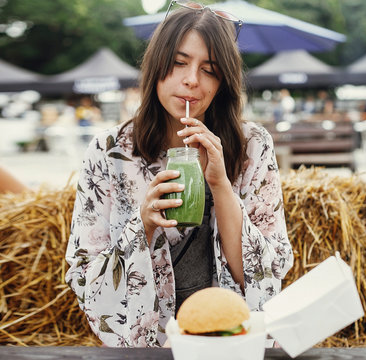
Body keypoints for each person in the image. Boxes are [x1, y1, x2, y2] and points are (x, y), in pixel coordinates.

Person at [65, 1, 293, 348]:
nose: (191, 80)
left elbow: (265, 274)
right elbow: (84, 276)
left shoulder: (251, 146)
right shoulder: (108, 151)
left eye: (209, 69)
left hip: (232, 338)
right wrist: (142, 224)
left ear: (222, 83)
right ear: (157, 65)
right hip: (150, 345)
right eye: (178, 63)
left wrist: (220, 184)